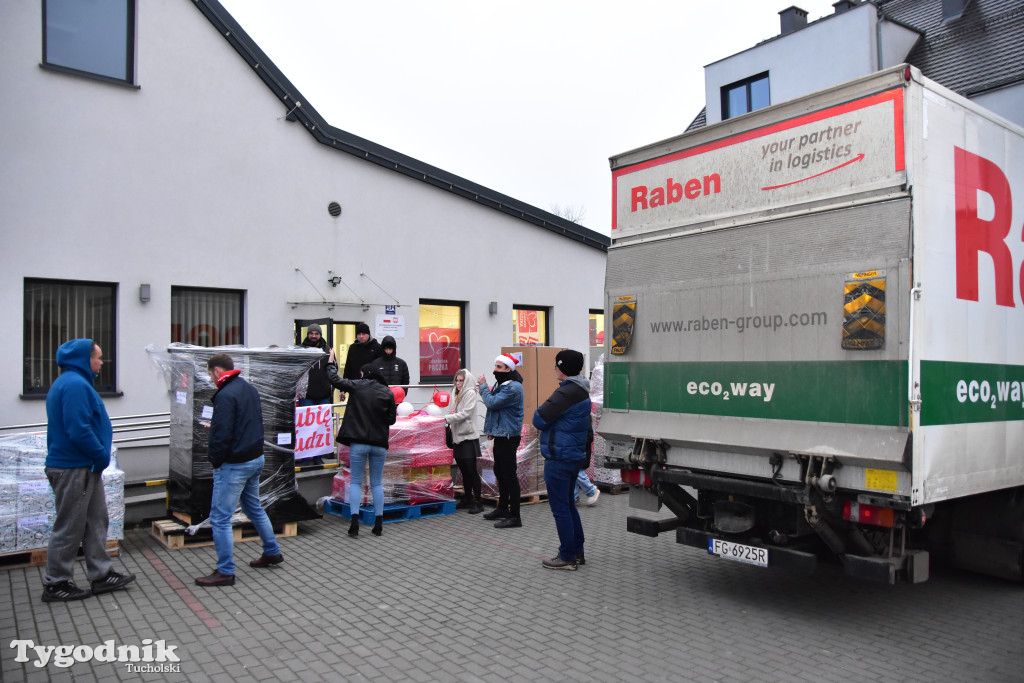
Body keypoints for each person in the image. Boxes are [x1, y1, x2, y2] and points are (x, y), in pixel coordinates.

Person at [41, 339, 136, 602]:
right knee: (70, 525)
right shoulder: (73, 385)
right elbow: (78, 429)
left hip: (84, 467)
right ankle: (56, 583)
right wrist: (100, 454)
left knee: (97, 520)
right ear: (85, 360)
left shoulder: (76, 383)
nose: (102, 362)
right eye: (98, 357)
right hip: (73, 467)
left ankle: (101, 575)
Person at [196, 353, 284, 587]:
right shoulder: (248, 388)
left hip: (234, 464)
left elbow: (222, 432)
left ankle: (225, 571)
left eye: (209, 373)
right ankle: (272, 551)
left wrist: (215, 458)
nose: (209, 378)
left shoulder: (225, 395)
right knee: (253, 507)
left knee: (220, 518)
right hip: (255, 458)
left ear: (216, 371)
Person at [533, 349, 592, 570]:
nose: (554, 369)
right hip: (572, 456)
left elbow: (539, 418)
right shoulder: (581, 390)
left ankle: (567, 556)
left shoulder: (566, 393)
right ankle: (577, 550)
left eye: (556, 365)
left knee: (560, 508)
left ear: (563, 368)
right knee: (568, 505)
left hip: (559, 457)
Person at [327, 351, 397, 537]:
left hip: (358, 443)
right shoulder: (388, 392)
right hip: (379, 444)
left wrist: (330, 363)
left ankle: (354, 524)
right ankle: (379, 524)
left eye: (361, 374)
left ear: (365, 374)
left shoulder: (358, 386)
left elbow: (335, 380)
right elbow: (391, 421)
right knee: (376, 483)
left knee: (356, 482)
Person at [477, 353, 525, 529]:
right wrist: (491, 431)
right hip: (501, 434)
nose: (494, 370)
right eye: (495, 366)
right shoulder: (503, 383)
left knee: (509, 475)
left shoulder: (512, 387)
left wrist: (483, 387)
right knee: (500, 471)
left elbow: (492, 403)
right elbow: (496, 412)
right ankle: (503, 508)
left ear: (508, 369)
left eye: (499, 367)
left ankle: (515, 516)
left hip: (509, 436)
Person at [445, 369, 483, 514]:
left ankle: (478, 501)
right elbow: (453, 410)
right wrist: (451, 415)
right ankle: (467, 498)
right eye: (457, 380)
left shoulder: (470, 393)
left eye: (461, 380)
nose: (458, 383)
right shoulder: (455, 392)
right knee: (463, 470)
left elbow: (466, 413)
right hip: (457, 436)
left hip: (468, 436)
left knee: (471, 471)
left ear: (466, 381)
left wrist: (447, 418)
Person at [299, 324, 333, 465]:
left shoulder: (327, 350)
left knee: (321, 428)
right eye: (311, 333)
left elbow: (333, 370)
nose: (313, 336)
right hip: (306, 396)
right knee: (306, 429)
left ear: (320, 334)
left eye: (316, 333)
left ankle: (318, 457)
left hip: (323, 395)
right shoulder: (300, 350)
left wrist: (336, 388)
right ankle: (305, 458)